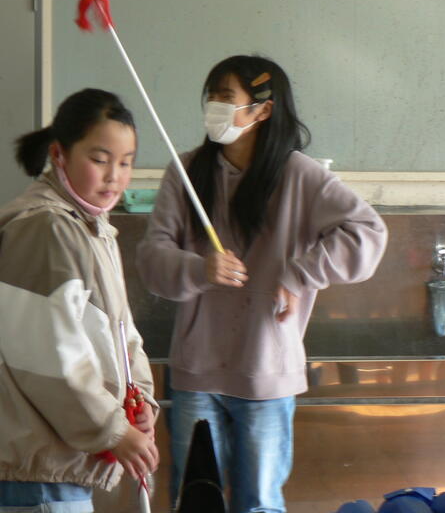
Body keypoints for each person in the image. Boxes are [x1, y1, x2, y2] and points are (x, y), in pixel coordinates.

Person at [136, 54, 388, 513]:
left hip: (267, 374)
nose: (214, 106)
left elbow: (369, 233)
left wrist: (300, 273)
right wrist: (199, 268)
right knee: (195, 502)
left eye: (226, 97)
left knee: (259, 505)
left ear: (263, 109)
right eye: (211, 96)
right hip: (195, 374)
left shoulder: (300, 175)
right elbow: (151, 261)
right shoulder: (186, 172)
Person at [0, 88, 159, 512]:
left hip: (59, 468)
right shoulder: (46, 227)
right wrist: (113, 430)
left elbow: (123, 336)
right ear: (59, 154)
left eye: (126, 162)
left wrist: (141, 401)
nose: (114, 176)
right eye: (100, 159)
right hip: (36, 475)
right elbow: (49, 358)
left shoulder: (93, 227)